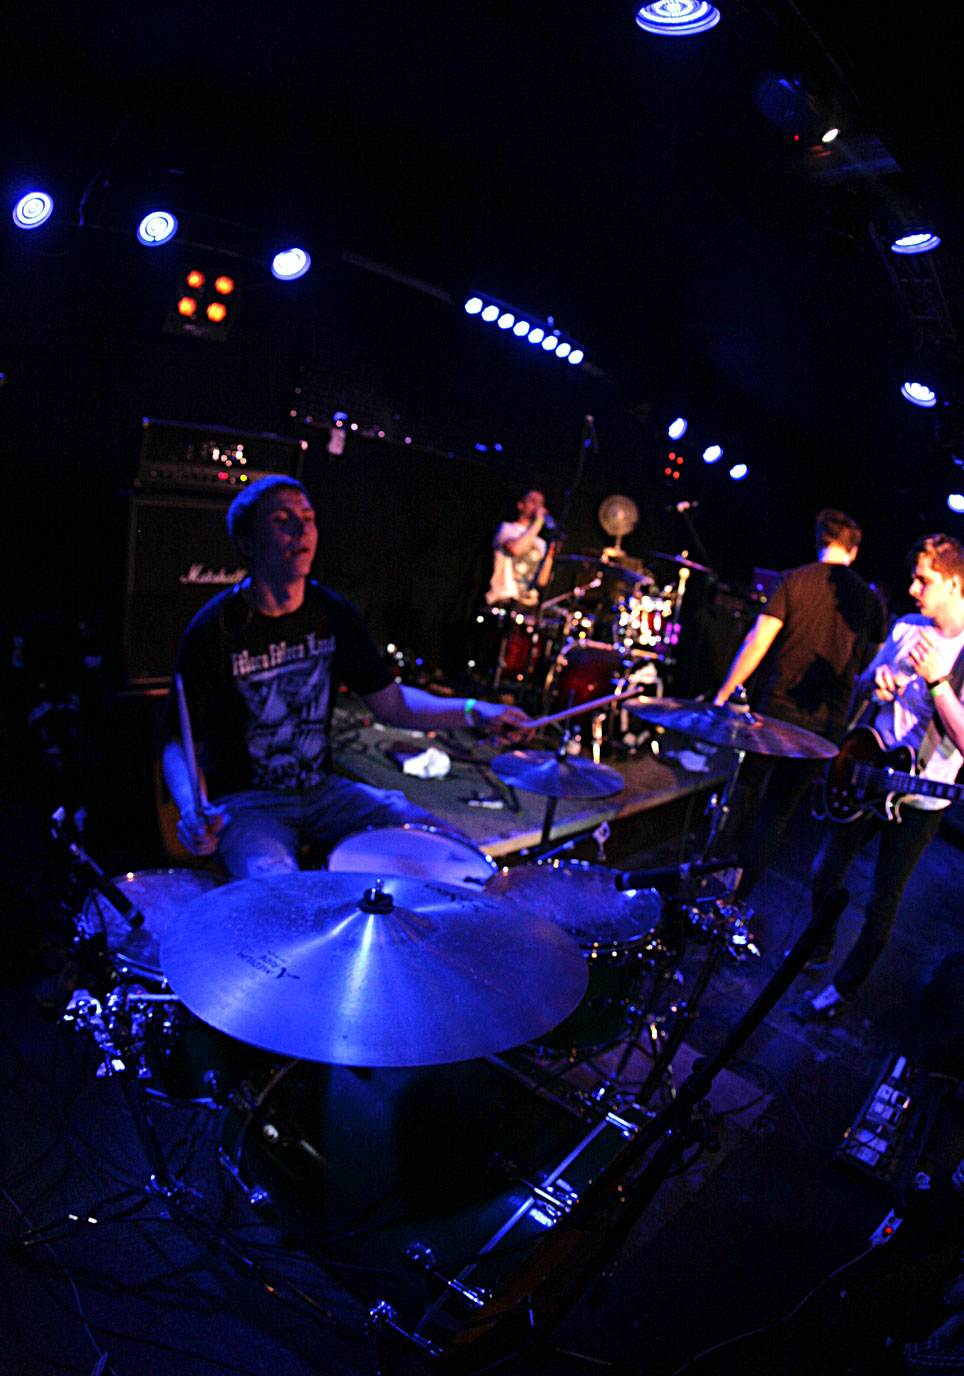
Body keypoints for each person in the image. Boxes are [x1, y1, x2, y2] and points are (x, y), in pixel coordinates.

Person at [162, 475, 531, 877]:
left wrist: (476, 711)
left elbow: (393, 703)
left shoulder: (332, 613)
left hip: (323, 791)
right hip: (249, 803)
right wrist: (192, 808)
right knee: (279, 891)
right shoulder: (213, 629)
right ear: (248, 543)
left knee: (446, 847)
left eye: (308, 518)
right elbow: (179, 743)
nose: (302, 529)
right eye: (282, 520)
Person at [798, 533, 964, 1022]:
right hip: (871, 772)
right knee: (823, 870)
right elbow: (864, 683)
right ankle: (819, 947)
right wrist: (879, 684)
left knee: (882, 902)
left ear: (955, 584)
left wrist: (938, 682)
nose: (913, 589)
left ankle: (842, 990)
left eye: (924, 580)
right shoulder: (907, 627)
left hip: (919, 798)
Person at [712, 508, 887, 901]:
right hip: (826, 724)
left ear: (819, 541)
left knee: (743, 795)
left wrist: (724, 694)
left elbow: (758, 640)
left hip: (775, 709)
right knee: (778, 812)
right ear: (853, 551)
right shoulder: (870, 601)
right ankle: (736, 900)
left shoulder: (793, 579)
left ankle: (711, 882)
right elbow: (870, 666)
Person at [485, 489, 556, 609]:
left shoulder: (541, 543)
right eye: (533, 501)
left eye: (541, 503)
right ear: (520, 505)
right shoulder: (507, 528)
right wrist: (538, 522)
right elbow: (516, 549)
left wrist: (550, 555)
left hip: (528, 604)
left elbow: (542, 580)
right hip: (504, 600)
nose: (537, 507)